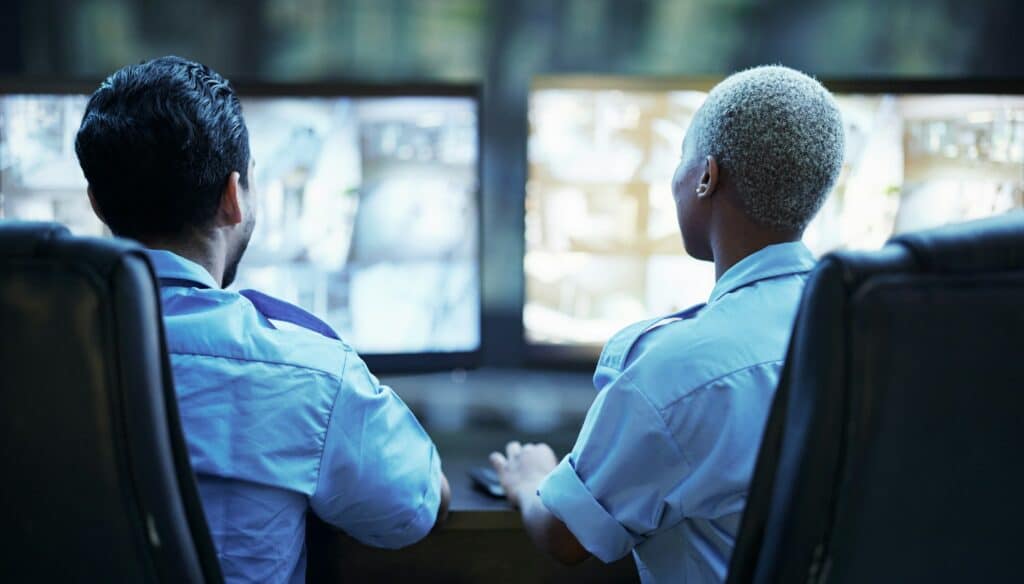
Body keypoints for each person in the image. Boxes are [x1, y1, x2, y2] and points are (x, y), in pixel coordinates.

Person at [75, 56, 450, 583]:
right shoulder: (312, 370)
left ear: (97, 202)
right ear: (234, 197)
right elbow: (415, 510)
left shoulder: (28, 360)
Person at [491, 65, 845, 583]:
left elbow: (565, 537)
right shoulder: (869, 335)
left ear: (706, 175)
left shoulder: (675, 372)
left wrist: (530, 480)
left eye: (680, 160)